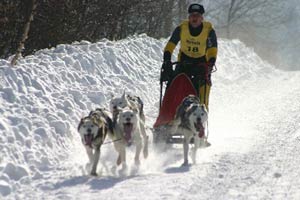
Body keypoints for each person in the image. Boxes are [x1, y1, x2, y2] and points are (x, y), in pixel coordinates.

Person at [161, 3, 218, 112]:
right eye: (192, 15)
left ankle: (202, 116)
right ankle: (166, 114)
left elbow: (212, 50)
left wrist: (210, 63)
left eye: (197, 15)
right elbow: (170, 46)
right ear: (189, 17)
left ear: (202, 18)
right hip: (183, 62)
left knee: (204, 88)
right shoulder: (181, 29)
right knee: (172, 84)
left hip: (202, 63)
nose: (194, 18)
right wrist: (167, 60)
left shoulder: (209, 31)